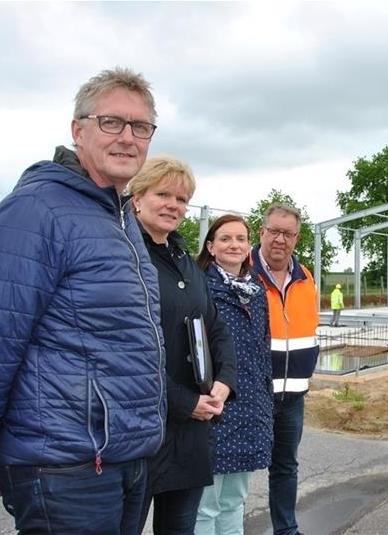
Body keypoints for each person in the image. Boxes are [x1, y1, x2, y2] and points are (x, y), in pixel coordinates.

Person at [0, 67, 165, 534]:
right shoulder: (37, 210)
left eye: (141, 127)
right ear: (78, 130)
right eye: (112, 122)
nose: (128, 137)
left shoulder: (119, 217)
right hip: (63, 464)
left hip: (124, 457)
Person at [130, 157, 238, 534]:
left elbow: (215, 327)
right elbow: (123, 351)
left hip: (191, 434)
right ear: (137, 198)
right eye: (163, 194)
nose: (174, 205)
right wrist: (182, 401)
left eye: (182, 198)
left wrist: (225, 380)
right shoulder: (124, 256)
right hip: (143, 430)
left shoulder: (185, 262)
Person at [195, 214, 273, 535]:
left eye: (241, 239)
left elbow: (263, 350)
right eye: (225, 239)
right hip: (215, 404)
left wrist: (266, 402)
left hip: (250, 408)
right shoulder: (200, 287)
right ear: (211, 247)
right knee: (205, 502)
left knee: (235, 498)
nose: (234, 245)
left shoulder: (256, 291)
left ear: (248, 247)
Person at [251, 203, 320, 535]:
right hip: (252, 393)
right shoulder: (242, 271)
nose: (280, 239)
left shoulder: (305, 276)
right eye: (274, 231)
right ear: (261, 231)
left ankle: (286, 530)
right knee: (233, 469)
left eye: (288, 233)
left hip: (293, 394)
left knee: (285, 467)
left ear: (297, 237)